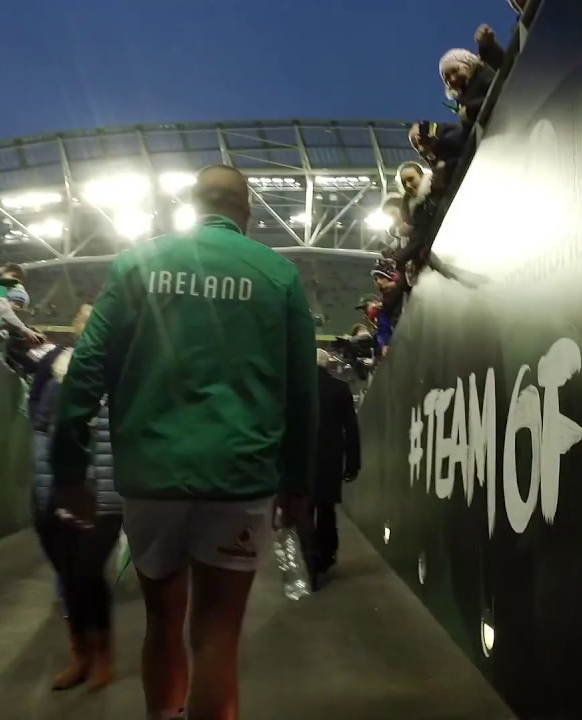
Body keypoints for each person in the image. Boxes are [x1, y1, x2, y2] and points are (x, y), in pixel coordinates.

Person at [51, 163, 317, 720]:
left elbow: (84, 373)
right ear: (246, 211)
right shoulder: (277, 275)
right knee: (217, 635)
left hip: (151, 479)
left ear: (192, 206)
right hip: (238, 478)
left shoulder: (135, 265)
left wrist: (70, 471)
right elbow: (301, 391)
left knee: (162, 622)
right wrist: (298, 483)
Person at [30, 304, 123, 692]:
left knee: (87, 573)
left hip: (104, 493)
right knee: (68, 577)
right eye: (87, 328)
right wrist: (42, 490)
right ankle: (80, 654)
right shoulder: (53, 371)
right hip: (54, 491)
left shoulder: (125, 376)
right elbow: (38, 429)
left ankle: (102, 655)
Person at [310, 349, 359, 587]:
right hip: (330, 458)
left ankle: (306, 558)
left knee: (304, 509)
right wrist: (353, 463)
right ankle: (326, 555)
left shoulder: (298, 388)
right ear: (327, 365)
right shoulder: (340, 389)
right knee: (326, 509)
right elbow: (351, 430)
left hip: (303, 458)